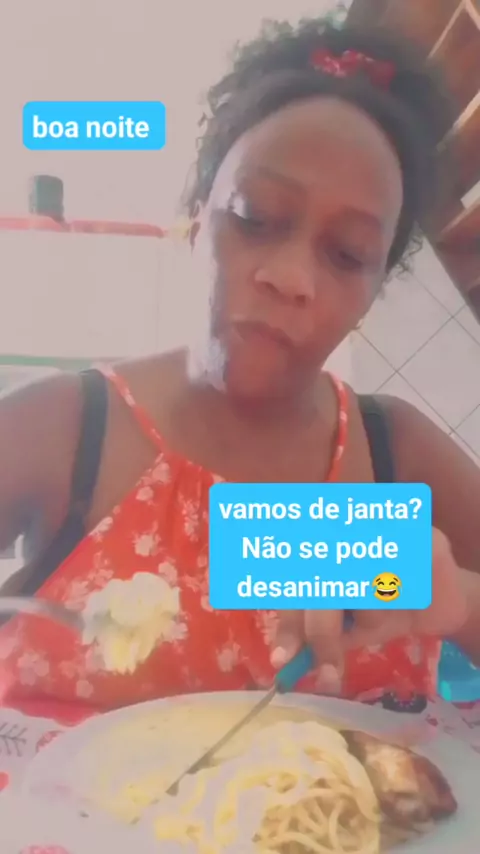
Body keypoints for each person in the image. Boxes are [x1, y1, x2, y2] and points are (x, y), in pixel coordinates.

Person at [1, 17, 480, 714]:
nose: (291, 276)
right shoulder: (66, 431)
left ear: (373, 291)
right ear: (199, 220)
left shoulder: (395, 453)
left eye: (346, 254)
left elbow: (279, 555)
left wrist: (458, 597)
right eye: (256, 216)